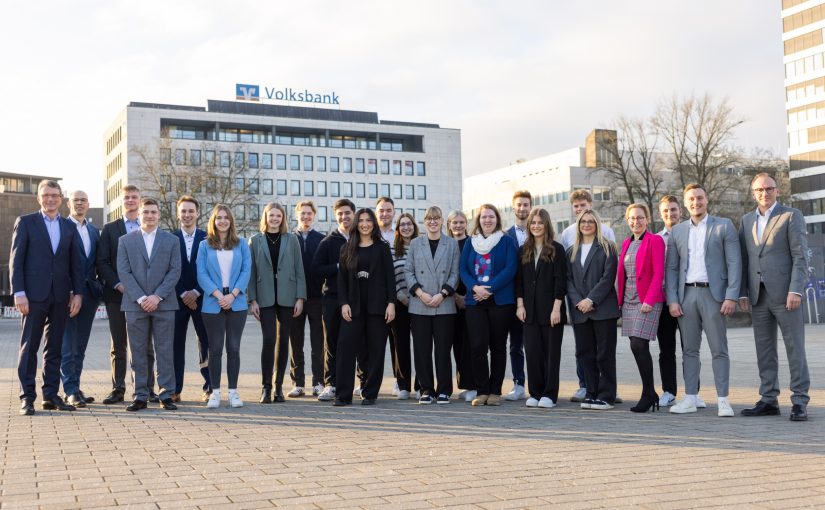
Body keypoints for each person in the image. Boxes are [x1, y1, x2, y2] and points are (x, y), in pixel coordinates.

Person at [738, 173, 810, 421]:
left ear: (777, 191)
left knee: (795, 349)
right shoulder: (746, 220)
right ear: (753, 193)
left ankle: (800, 400)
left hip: (786, 295)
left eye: (769, 189)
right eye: (759, 190)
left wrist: (796, 289)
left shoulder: (791, 216)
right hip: (758, 296)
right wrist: (743, 292)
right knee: (764, 350)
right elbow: (745, 259)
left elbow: (801, 256)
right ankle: (768, 399)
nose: (764, 193)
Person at [666, 183, 741, 417]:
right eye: (691, 199)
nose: (695, 203)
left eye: (699, 198)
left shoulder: (724, 226)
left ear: (706, 200)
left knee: (719, 349)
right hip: (686, 296)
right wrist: (673, 300)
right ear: (685, 203)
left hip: (714, 296)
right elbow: (672, 269)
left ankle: (723, 400)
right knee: (689, 350)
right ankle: (690, 397)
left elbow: (734, 263)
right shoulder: (677, 231)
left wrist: (731, 295)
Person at [11, 180, 83, 415]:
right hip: (33, 297)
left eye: (54, 195)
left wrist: (78, 294)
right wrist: (19, 293)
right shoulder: (26, 222)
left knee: (54, 348)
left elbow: (76, 265)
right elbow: (16, 261)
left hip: (61, 296)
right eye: (46, 195)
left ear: (61, 198)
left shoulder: (68, 227)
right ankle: (27, 397)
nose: (50, 199)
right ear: (39, 198)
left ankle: (50, 395)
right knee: (29, 347)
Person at [116, 198, 181, 412]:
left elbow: (174, 271)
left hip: (164, 303)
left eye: (153, 212)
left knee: (164, 350)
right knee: (138, 351)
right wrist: (142, 298)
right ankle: (140, 395)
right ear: (139, 215)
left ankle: (166, 394)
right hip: (135, 305)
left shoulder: (171, 240)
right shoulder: (125, 240)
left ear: (159, 215)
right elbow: (123, 272)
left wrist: (157, 296)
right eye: (146, 212)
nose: (150, 216)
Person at [97, 184, 156, 405]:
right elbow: (101, 262)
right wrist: (118, 284)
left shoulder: (149, 228)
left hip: (146, 297)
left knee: (145, 345)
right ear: (122, 201)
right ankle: (118, 388)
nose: (131, 200)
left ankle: (148, 389)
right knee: (119, 343)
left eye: (134, 197)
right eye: (127, 197)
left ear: (140, 201)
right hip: (118, 295)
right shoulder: (110, 229)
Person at [559, 189, 617, 403]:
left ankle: (607, 395)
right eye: (583, 222)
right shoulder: (570, 250)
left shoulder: (608, 248)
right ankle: (591, 393)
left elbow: (608, 277)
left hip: (602, 309)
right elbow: (568, 280)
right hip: (580, 311)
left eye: (591, 222)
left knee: (604, 355)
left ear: (597, 224)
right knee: (585, 354)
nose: (586, 225)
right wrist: (578, 301)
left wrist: (591, 300)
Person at [334, 208, 396, 406]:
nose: (365, 224)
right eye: (361, 220)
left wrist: (391, 304)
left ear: (374, 223)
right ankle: (343, 395)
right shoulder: (347, 248)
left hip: (378, 307)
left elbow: (390, 278)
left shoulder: (382, 247)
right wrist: (343, 303)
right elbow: (341, 281)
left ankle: (370, 393)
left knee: (376, 350)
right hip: (353, 307)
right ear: (356, 224)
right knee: (345, 347)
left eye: (369, 220)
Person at [459, 204, 518, 406]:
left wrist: (489, 288)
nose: (487, 220)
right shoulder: (470, 242)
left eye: (491, 217)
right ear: (479, 220)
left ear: (497, 219)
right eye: (484, 217)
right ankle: (482, 390)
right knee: (477, 347)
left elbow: (511, 268)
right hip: (475, 301)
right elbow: (463, 269)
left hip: (500, 302)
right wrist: (475, 288)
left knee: (498, 347)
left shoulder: (507, 242)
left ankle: (495, 391)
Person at [249, 202, 306, 404]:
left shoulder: (291, 240)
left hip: (288, 296)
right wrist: (252, 299)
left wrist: (300, 297)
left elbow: (299, 269)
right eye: (271, 215)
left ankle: (279, 387)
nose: (274, 219)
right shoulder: (255, 241)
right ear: (265, 217)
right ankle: (266, 387)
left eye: (278, 216)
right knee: (269, 339)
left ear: (282, 218)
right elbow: (251, 272)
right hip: (264, 297)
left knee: (284, 342)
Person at [197, 205, 252, 409]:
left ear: (231, 221)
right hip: (213, 302)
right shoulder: (204, 246)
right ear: (213, 221)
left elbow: (246, 271)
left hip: (236, 302)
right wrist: (220, 295)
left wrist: (233, 295)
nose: (222, 221)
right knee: (215, 349)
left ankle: (233, 392)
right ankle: (215, 392)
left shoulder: (241, 244)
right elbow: (201, 274)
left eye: (226, 217)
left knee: (234, 348)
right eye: (218, 217)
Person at [405, 206, 459, 404]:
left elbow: (455, 273)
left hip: (444, 304)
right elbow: (408, 271)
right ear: (424, 221)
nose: (433, 222)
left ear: (442, 220)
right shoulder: (415, 243)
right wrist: (420, 293)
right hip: (420, 304)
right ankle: (426, 389)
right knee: (421, 349)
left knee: (443, 350)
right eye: (429, 218)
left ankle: (444, 389)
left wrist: (442, 294)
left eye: (436, 218)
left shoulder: (451, 244)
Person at [515, 208, 566, 409]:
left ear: (547, 225)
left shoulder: (557, 249)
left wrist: (556, 309)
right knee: (533, 353)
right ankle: (535, 392)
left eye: (540, 222)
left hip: (551, 310)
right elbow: (518, 281)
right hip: (529, 311)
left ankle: (549, 394)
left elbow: (560, 282)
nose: (536, 226)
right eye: (533, 223)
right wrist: (520, 305)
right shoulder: (523, 250)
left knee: (551, 354)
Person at [617, 204, 666, 413]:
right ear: (628, 220)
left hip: (648, 300)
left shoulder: (655, 240)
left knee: (639, 344)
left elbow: (658, 272)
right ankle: (649, 393)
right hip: (628, 301)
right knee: (635, 346)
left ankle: (648, 393)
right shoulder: (626, 243)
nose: (636, 222)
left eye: (640, 218)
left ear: (647, 219)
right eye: (632, 218)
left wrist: (650, 299)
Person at [311, 198, 355, 402]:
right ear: (335, 216)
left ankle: (358, 383)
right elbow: (316, 270)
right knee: (332, 343)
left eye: (347, 213)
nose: (344, 217)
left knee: (354, 344)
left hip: (356, 300)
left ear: (353, 214)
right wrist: (338, 267)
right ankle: (331, 384)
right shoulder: (328, 242)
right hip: (332, 299)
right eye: (340, 214)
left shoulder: (361, 239)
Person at [61, 190, 102, 408]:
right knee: (68, 345)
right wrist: (69, 292)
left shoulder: (94, 231)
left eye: (83, 200)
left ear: (88, 204)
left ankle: (75, 386)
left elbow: (96, 262)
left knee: (81, 345)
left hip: (89, 295)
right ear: (69, 204)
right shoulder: (62, 227)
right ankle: (69, 390)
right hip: (68, 295)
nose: (79, 203)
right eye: (75, 200)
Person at [172, 196, 211, 403]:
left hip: (202, 298)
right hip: (176, 300)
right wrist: (182, 293)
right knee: (175, 344)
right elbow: (168, 270)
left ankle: (209, 387)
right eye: (183, 211)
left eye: (190, 211)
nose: (187, 215)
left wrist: (195, 292)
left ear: (197, 213)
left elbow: (210, 269)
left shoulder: (208, 238)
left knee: (205, 343)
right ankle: (175, 388)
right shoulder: (170, 238)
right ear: (178, 213)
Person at [655, 195, 691, 408]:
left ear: (681, 211)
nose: (670, 214)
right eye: (666, 211)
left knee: (690, 349)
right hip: (664, 302)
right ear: (661, 214)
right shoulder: (656, 239)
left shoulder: (691, 234)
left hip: (687, 299)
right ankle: (668, 391)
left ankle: (692, 393)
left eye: (674, 210)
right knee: (666, 350)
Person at [290, 200, 326, 397]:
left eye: (309, 213)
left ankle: (318, 381)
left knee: (318, 342)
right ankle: (298, 382)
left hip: (316, 298)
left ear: (314, 215)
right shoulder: (289, 239)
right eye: (302, 213)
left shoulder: (322, 239)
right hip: (294, 298)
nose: (305, 217)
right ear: (297, 215)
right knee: (295, 342)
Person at [503, 190, 531, 401]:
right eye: (519, 205)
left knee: (537, 343)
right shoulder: (505, 236)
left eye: (526, 204)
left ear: (531, 207)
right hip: (512, 298)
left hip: (536, 298)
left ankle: (543, 382)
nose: (522, 208)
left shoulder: (539, 232)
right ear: (514, 208)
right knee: (515, 344)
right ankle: (518, 383)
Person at [447, 210, 475, 403]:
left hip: (471, 300)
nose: (458, 225)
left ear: (466, 223)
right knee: (457, 343)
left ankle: (473, 385)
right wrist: (455, 295)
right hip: (450, 299)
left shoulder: (473, 243)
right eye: (454, 223)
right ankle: (464, 383)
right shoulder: (447, 245)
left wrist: (467, 296)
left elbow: (476, 270)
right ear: (449, 225)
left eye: (461, 222)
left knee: (471, 344)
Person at [391, 212, 418, 400]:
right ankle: (403, 385)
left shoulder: (422, 247)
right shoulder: (392, 250)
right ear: (398, 229)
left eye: (409, 224)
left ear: (414, 226)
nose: (406, 227)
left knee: (420, 345)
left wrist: (417, 296)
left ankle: (420, 385)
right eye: (402, 225)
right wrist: (401, 296)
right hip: (400, 303)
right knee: (401, 346)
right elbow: (388, 276)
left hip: (420, 303)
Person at [376, 197, 398, 397]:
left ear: (394, 212)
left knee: (397, 342)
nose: (385, 214)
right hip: (374, 296)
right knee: (372, 342)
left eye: (388, 210)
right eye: (381, 210)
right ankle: (366, 378)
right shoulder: (369, 234)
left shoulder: (399, 235)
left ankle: (400, 381)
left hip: (397, 295)